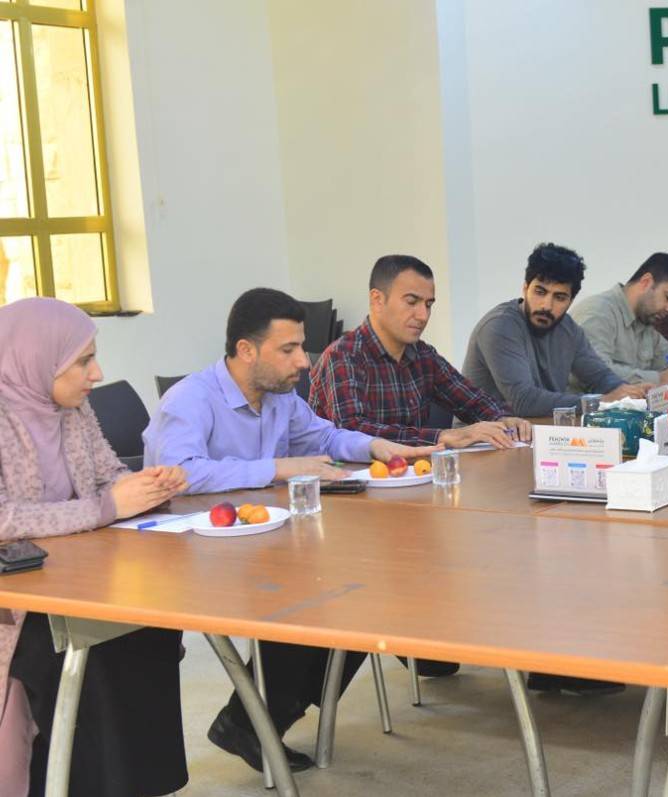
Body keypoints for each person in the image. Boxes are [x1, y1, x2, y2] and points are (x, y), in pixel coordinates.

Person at [142, 287, 436, 774]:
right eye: (289, 349)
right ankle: (255, 718)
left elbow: (323, 436)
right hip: (196, 553)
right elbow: (181, 473)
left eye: (302, 346)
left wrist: (374, 446)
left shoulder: (279, 397)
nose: (303, 360)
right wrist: (279, 467)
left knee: (359, 588)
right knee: (311, 592)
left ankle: (265, 715)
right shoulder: (191, 399)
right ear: (246, 350)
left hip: (262, 541)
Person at [0, 298, 190, 797]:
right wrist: (105, 508)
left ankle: (139, 785)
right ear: (37, 358)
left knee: (150, 628)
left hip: (79, 578)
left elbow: (109, 476)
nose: (97, 374)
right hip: (17, 602)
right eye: (83, 361)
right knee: (83, 655)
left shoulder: (73, 410)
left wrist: (148, 485)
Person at [310, 254, 531, 447]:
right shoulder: (343, 356)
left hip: (413, 474)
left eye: (428, 304)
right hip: (350, 479)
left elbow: (472, 400)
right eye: (412, 302)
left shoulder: (423, 355)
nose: (423, 316)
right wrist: (443, 436)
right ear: (377, 300)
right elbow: (352, 433)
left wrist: (502, 418)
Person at [462, 243, 651, 417]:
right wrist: (601, 401)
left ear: (571, 300)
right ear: (525, 288)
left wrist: (630, 393)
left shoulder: (569, 329)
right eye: (540, 292)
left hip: (538, 432)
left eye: (559, 297)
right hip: (482, 436)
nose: (546, 305)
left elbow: (600, 377)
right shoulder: (500, 326)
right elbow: (524, 401)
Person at [570, 253, 668, 387]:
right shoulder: (598, 313)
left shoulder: (644, 320)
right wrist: (659, 379)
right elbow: (594, 372)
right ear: (646, 282)